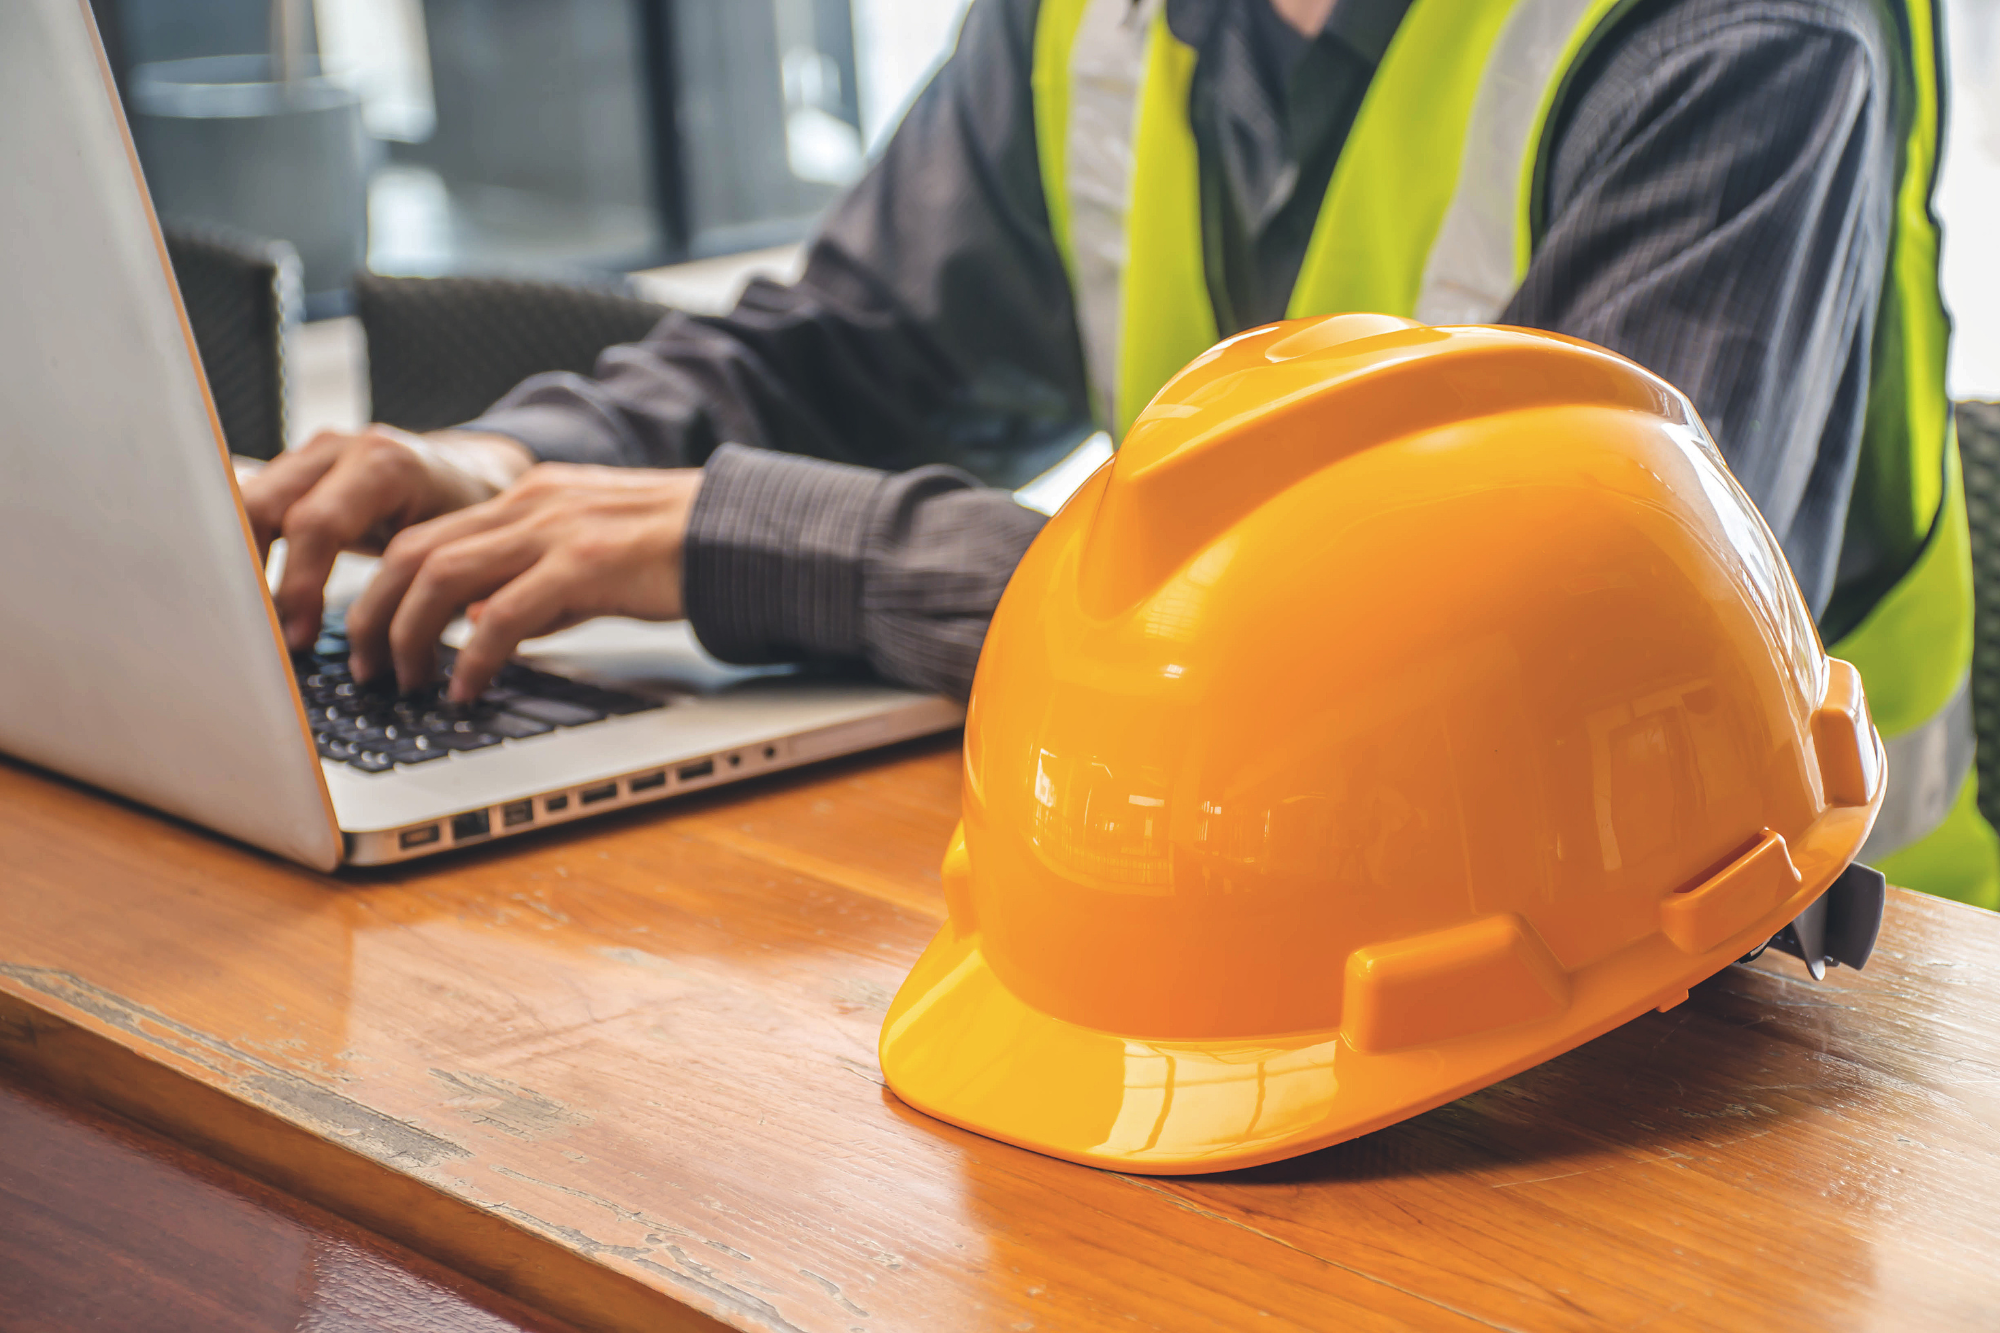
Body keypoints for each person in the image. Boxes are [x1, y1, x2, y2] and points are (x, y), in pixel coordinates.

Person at [242, 0, 1999, 908]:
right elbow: (859, 342)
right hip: (1230, 930)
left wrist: (777, 539)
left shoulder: (1736, 37)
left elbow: (1514, 715)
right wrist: (514, 462)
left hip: (1765, 1007)